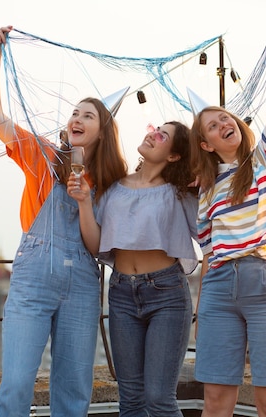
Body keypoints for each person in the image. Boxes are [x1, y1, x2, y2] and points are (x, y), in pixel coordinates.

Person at [0, 25, 128, 417]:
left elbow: (98, 246)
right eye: (74, 113)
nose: (77, 118)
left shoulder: (111, 180)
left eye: (88, 115)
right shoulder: (43, 157)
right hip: (33, 277)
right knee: (15, 383)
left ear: (102, 130)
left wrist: (84, 203)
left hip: (82, 283)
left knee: (74, 390)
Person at [188, 1, 266, 416]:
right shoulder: (205, 187)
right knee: (217, 399)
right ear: (206, 145)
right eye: (213, 126)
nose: (224, 124)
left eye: (226, 117)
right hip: (219, 289)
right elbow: (207, 249)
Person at [67, 121, 198, 417]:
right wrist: (85, 203)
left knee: (159, 398)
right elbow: (96, 245)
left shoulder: (179, 193)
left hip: (167, 295)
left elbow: (211, 231)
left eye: (162, 135)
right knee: (130, 399)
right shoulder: (114, 188)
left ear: (174, 156)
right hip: (122, 293)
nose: (152, 134)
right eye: (154, 129)